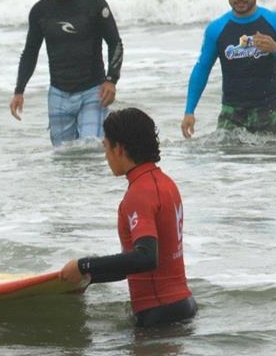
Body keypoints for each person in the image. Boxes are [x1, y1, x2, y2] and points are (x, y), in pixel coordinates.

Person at [60, 108, 197, 328]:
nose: (106, 156)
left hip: (158, 314)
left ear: (120, 149)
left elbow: (145, 258)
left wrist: (84, 265)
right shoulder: (166, 183)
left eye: (106, 147)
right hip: (182, 307)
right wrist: (90, 277)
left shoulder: (140, 193)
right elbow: (139, 266)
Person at [9, 0, 123, 146]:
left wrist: (111, 80)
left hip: (93, 91)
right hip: (58, 94)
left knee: (91, 147)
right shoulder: (40, 11)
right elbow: (30, 53)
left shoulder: (94, 4)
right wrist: (19, 90)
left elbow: (115, 43)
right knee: (64, 157)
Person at [181, 0, 276, 137]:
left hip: (267, 111)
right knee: (229, 164)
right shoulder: (217, 28)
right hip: (230, 113)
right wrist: (189, 111)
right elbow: (202, 68)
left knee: (267, 163)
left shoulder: (275, 21)